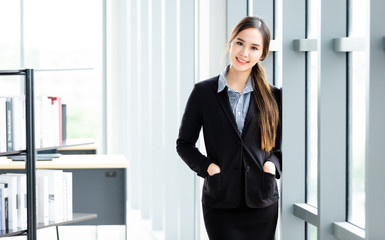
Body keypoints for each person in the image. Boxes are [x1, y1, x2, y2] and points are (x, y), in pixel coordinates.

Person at [176, 16, 282, 240]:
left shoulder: (274, 97)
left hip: (262, 201)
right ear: (231, 42)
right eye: (240, 43)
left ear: (262, 54)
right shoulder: (203, 92)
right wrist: (208, 169)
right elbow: (184, 144)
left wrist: (271, 166)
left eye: (254, 48)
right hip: (220, 202)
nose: (244, 53)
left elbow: (285, 147)